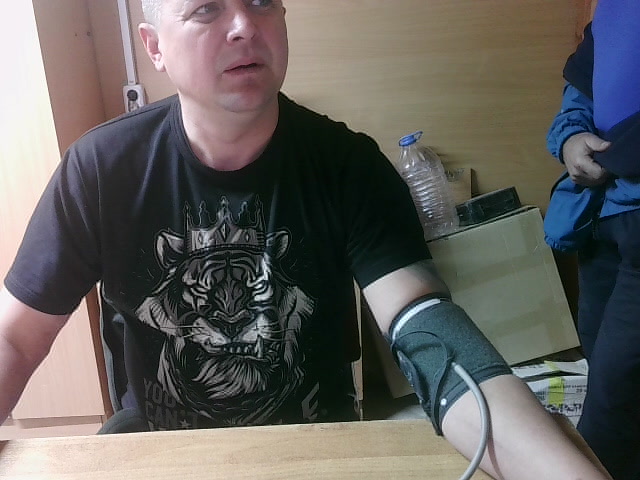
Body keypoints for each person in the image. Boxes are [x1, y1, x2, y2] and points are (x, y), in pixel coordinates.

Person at [0, 1, 611, 478]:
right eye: (207, 8)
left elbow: (428, 332)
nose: (244, 25)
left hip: (315, 446)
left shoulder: (349, 166)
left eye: (262, 1)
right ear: (154, 46)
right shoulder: (101, 170)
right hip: (162, 452)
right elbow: (15, 337)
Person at [546, 1, 640, 478]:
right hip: (603, 216)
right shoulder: (613, 9)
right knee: (599, 359)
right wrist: (570, 138)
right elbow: (581, 90)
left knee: (610, 412)